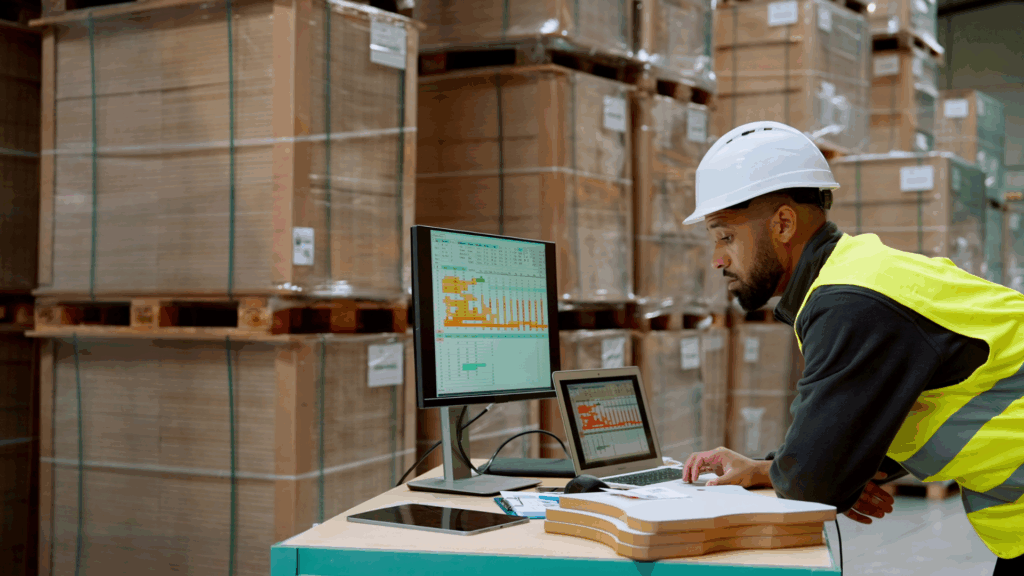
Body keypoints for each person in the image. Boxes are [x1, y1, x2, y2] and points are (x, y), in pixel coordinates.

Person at [678, 121, 1024, 574]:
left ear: (783, 223)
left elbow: (813, 483)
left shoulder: (850, 302)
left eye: (725, 235)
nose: (718, 258)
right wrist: (782, 469)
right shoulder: (853, 278)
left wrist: (825, 470)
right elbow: (853, 442)